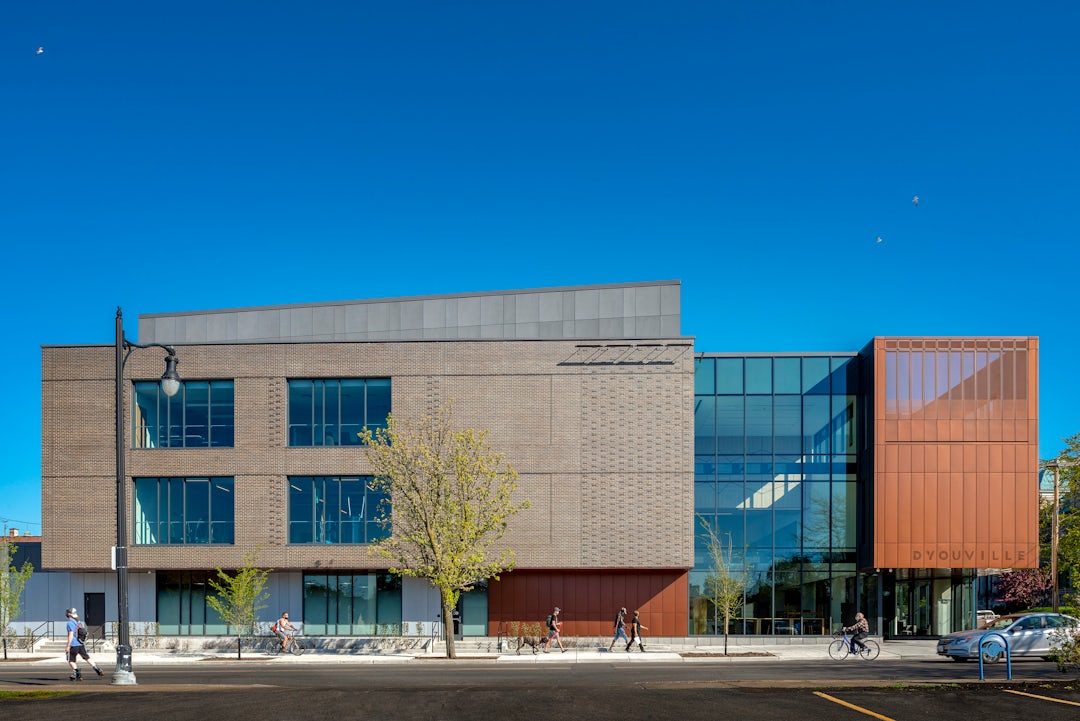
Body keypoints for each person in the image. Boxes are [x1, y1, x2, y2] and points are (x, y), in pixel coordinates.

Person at [64, 607, 103, 681]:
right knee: (86, 657)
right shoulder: (78, 622)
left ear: (69, 614)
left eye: (67, 612)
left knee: (71, 660)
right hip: (80, 644)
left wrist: (68, 646)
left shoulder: (70, 623)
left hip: (73, 644)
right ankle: (97, 668)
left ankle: (77, 673)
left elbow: (71, 634)